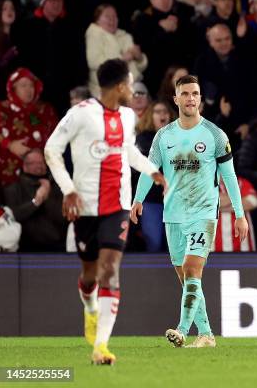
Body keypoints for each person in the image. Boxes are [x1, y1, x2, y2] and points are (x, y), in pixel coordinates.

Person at [44, 59, 168, 365]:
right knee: (90, 277)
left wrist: (153, 171)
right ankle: (90, 307)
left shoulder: (127, 116)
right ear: (120, 85)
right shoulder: (81, 114)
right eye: (129, 83)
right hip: (85, 206)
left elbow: (128, 150)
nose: (133, 89)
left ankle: (101, 347)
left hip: (118, 206)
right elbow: (51, 149)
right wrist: (68, 189)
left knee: (110, 270)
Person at [131, 74, 247, 349]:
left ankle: (182, 330)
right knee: (186, 278)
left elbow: (229, 177)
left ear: (200, 99)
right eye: (185, 94)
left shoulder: (215, 135)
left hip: (204, 213)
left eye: (195, 93)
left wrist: (240, 214)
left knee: (192, 268)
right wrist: (137, 200)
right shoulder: (164, 135)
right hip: (173, 214)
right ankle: (206, 335)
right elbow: (150, 170)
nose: (190, 98)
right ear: (176, 99)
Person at [0, 67, 58, 187]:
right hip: (7, 178)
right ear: (13, 88)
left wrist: (41, 153)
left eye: (31, 85)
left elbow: (59, 138)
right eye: (23, 85)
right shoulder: (1, 109)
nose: (28, 90)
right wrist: (9, 145)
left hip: (41, 175)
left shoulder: (45, 110)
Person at [3, 149, 67, 251]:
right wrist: (36, 201)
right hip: (25, 249)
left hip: (58, 247)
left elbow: (64, 216)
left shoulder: (58, 187)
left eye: (41, 162)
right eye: (33, 163)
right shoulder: (13, 189)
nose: (39, 166)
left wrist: (47, 197)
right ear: (24, 166)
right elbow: (12, 217)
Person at [134, 101, 176, 252]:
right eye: (157, 111)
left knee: (175, 247)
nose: (162, 114)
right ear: (150, 116)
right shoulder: (143, 138)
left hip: (176, 199)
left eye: (165, 111)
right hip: (152, 199)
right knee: (154, 244)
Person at [85, 4, 148, 98]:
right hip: (105, 88)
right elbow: (94, 62)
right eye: (107, 16)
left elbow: (141, 67)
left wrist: (140, 58)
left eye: (114, 16)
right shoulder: (94, 35)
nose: (112, 19)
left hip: (133, 86)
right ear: (98, 20)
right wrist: (122, 59)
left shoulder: (125, 36)